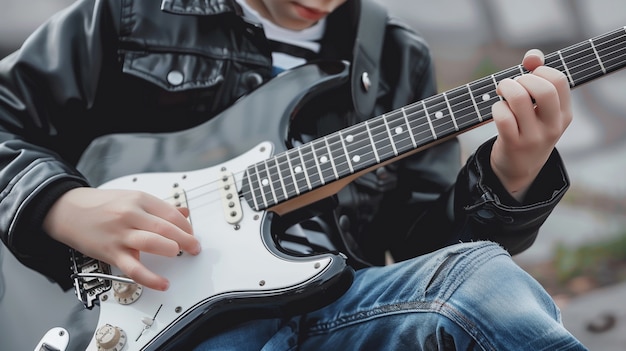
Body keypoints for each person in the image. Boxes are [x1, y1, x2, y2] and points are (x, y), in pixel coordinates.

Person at [0, 0, 587, 350]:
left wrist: (512, 172)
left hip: (340, 313)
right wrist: (63, 206)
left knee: (482, 281)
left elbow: (424, 254)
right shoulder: (133, 14)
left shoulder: (393, 57)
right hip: (165, 327)